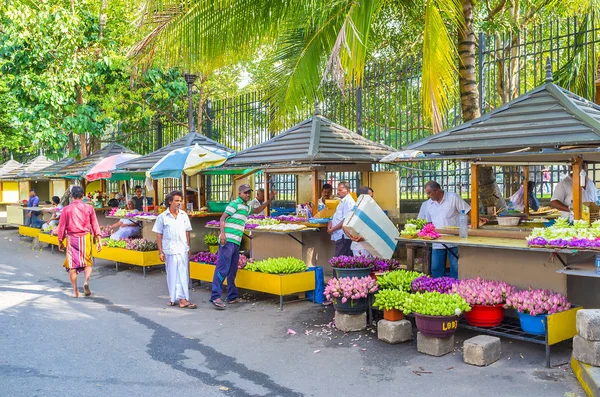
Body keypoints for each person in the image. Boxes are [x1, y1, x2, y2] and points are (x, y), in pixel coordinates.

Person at [417, 181, 471, 279]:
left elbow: (468, 211)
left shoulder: (453, 198)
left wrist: (477, 222)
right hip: (437, 241)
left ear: (436, 191)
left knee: (455, 268)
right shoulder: (429, 204)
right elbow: (428, 223)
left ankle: (455, 289)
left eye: (429, 193)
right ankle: (439, 289)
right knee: (436, 269)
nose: (428, 196)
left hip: (454, 240)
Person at [56, 186, 102, 298]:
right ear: (83, 196)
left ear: (71, 196)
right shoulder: (89, 208)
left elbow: (61, 227)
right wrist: (99, 239)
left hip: (72, 239)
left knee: (72, 266)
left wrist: (60, 240)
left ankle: (75, 291)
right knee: (87, 262)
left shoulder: (66, 209)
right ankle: (86, 282)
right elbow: (95, 224)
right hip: (85, 238)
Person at [211, 184, 252, 309]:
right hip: (227, 240)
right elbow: (222, 219)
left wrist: (270, 199)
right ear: (239, 193)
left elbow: (256, 210)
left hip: (236, 241)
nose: (248, 194)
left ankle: (232, 296)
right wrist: (222, 235)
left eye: (249, 192)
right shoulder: (234, 204)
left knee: (232, 270)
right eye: (245, 192)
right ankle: (215, 296)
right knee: (222, 268)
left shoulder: (246, 207)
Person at [153, 191, 196, 309]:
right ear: (170, 201)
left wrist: (188, 247)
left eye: (180, 201)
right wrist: (160, 251)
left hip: (182, 249)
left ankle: (183, 299)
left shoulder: (183, 215)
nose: (179, 203)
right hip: (169, 250)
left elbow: (187, 232)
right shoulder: (162, 217)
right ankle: (173, 297)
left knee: (183, 274)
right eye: (176, 201)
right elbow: (159, 235)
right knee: (172, 275)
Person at [327, 182, 356, 257]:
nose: (338, 192)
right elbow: (337, 216)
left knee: (340, 258)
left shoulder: (349, 202)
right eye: (337, 190)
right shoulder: (342, 201)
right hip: (339, 235)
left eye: (340, 190)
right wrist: (331, 222)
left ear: (347, 191)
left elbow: (346, 220)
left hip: (344, 236)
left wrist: (332, 229)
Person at [344, 186, 374, 257]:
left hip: (371, 246)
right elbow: (344, 226)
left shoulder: (370, 209)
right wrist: (351, 236)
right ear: (363, 197)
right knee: (363, 267)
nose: (372, 200)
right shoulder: (355, 209)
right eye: (370, 197)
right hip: (360, 247)